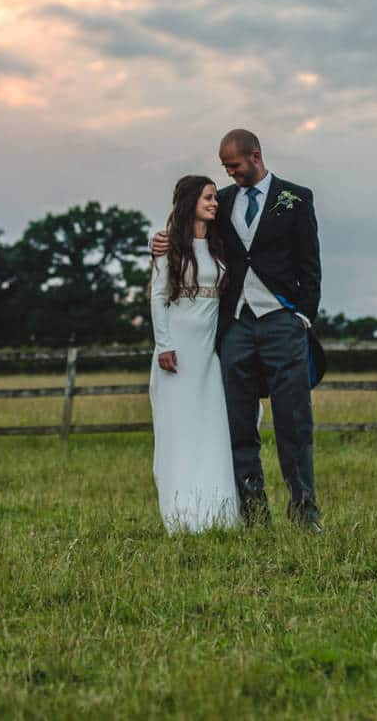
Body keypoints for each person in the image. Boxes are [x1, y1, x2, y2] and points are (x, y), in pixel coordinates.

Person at [152, 129, 324, 531]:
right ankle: (253, 513)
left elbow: (310, 264)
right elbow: (187, 236)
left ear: (255, 156)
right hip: (235, 327)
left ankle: (304, 512)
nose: (229, 174)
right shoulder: (222, 201)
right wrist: (158, 242)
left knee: (292, 420)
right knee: (237, 421)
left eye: (234, 165)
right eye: (225, 167)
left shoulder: (297, 198)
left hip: (282, 320)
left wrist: (303, 317)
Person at [148, 174, 239, 534]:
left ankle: (217, 513)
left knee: (211, 428)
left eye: (216, 198)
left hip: (208, 352)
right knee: (179, 430)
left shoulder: (219, 247)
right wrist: (163, 345)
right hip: (178, 349)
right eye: (207, 198)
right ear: (190, 202)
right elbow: (157, 297)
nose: (214, 203)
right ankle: (182, 515)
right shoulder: (168, 246)